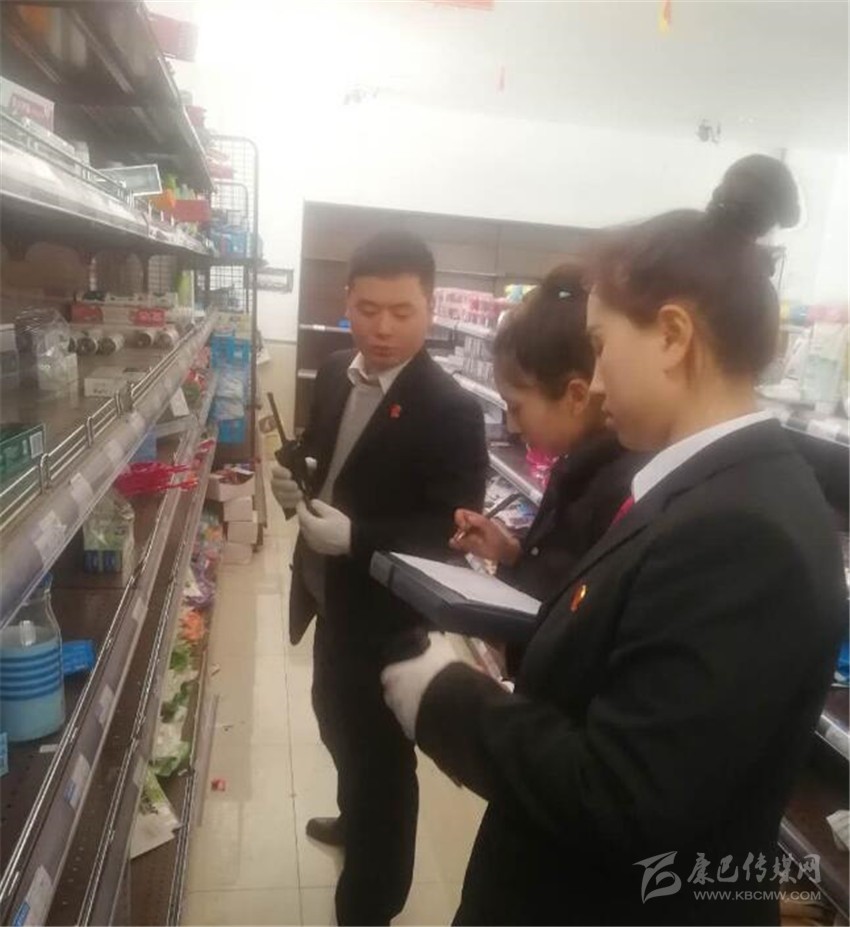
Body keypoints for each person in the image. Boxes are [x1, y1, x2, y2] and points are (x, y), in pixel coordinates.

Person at [381, 155, 847, 926]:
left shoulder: (740, 534)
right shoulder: (709, 490)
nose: (593, 382)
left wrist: (447, 698)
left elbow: (624, 794)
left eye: (600, 344)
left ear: (672, 336)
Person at [271, 231, 488, 926]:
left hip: (388, 620)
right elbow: (325, 456)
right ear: (347, 301)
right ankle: (352, 816)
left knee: (383, 769)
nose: (383, 328)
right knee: (336, 721)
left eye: (402, 311)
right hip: (329, 599)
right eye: (368, 309)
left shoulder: (452, 409)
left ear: (431, 307)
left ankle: (371, 901)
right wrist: (293, 479)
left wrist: (358, 540)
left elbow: (450, 534)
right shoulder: (339, 370)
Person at [451, 263, 644, 603]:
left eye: (516, 407)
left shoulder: (621, 494)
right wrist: (512, 554)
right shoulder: (577, 467)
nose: (512, 426)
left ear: (576, 396)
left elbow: (577, 613)